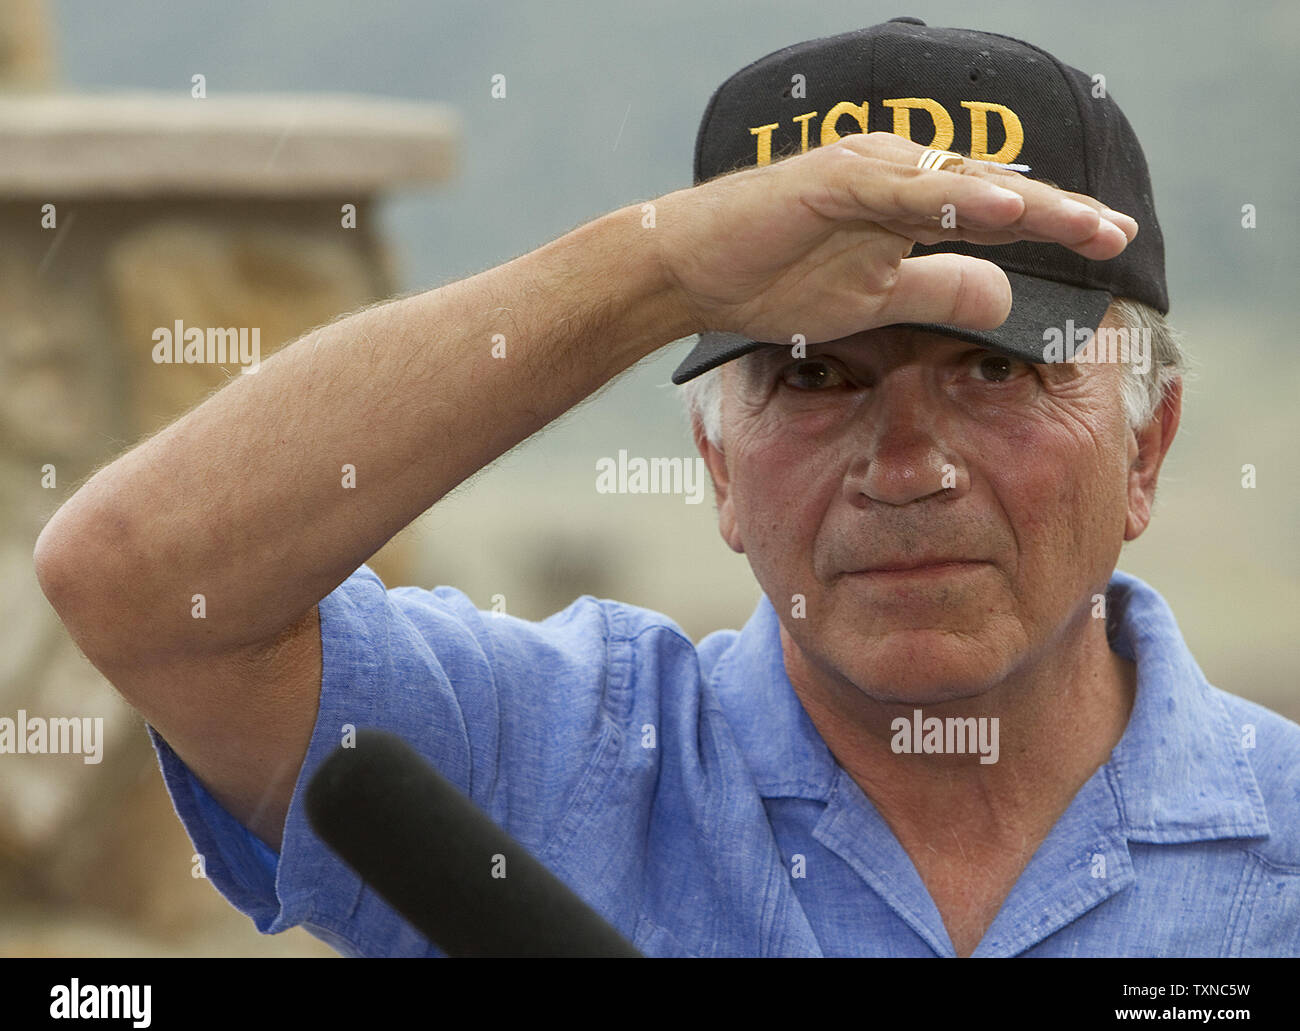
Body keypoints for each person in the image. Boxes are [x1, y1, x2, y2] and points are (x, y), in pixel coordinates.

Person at [34, 18, 1300, 957]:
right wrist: (665, 271)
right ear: (717, 464)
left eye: (993, 369)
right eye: (813, 376)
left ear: (1144, 447)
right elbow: (135, 585)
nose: (908, 465)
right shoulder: (547, 760)